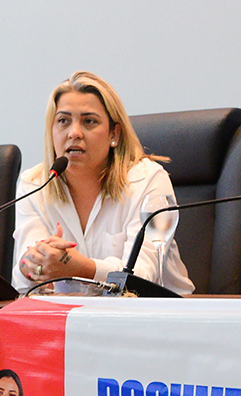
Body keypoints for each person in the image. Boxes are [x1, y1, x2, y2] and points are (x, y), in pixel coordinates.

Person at [13, 71, 193, 294]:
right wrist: (35, 264)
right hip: (74, 319)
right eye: (63, 121)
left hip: (158, 318)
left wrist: (81, 268)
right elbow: (22, 281)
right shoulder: (34, 184)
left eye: (89, 121)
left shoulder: (148, 181)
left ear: (113, 134)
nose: (74, 133)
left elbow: (141, 279)